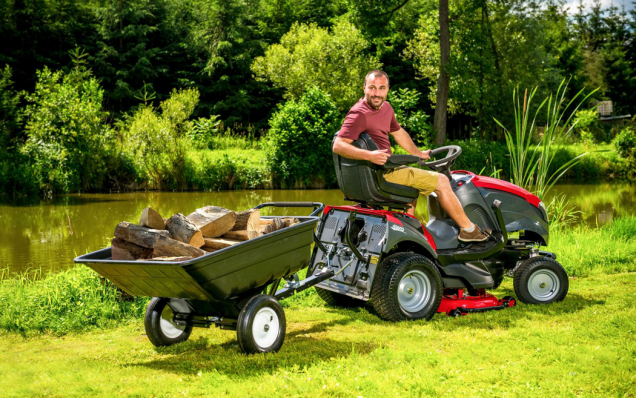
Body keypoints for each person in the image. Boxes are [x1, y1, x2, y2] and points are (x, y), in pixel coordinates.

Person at [332, 69, 490, 242]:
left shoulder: (386, 108)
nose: (377, 93)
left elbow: (398, 132)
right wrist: (369, 155)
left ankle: (408, 236)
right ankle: (468, 230)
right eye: (372, 88)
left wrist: (418, 154)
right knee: (443, 181)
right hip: (384, 172)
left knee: (412, 190)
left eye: (381, 88)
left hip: (385, 169)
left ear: (388, 89)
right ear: (364, 88)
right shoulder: (359, 113)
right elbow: (338, 145)